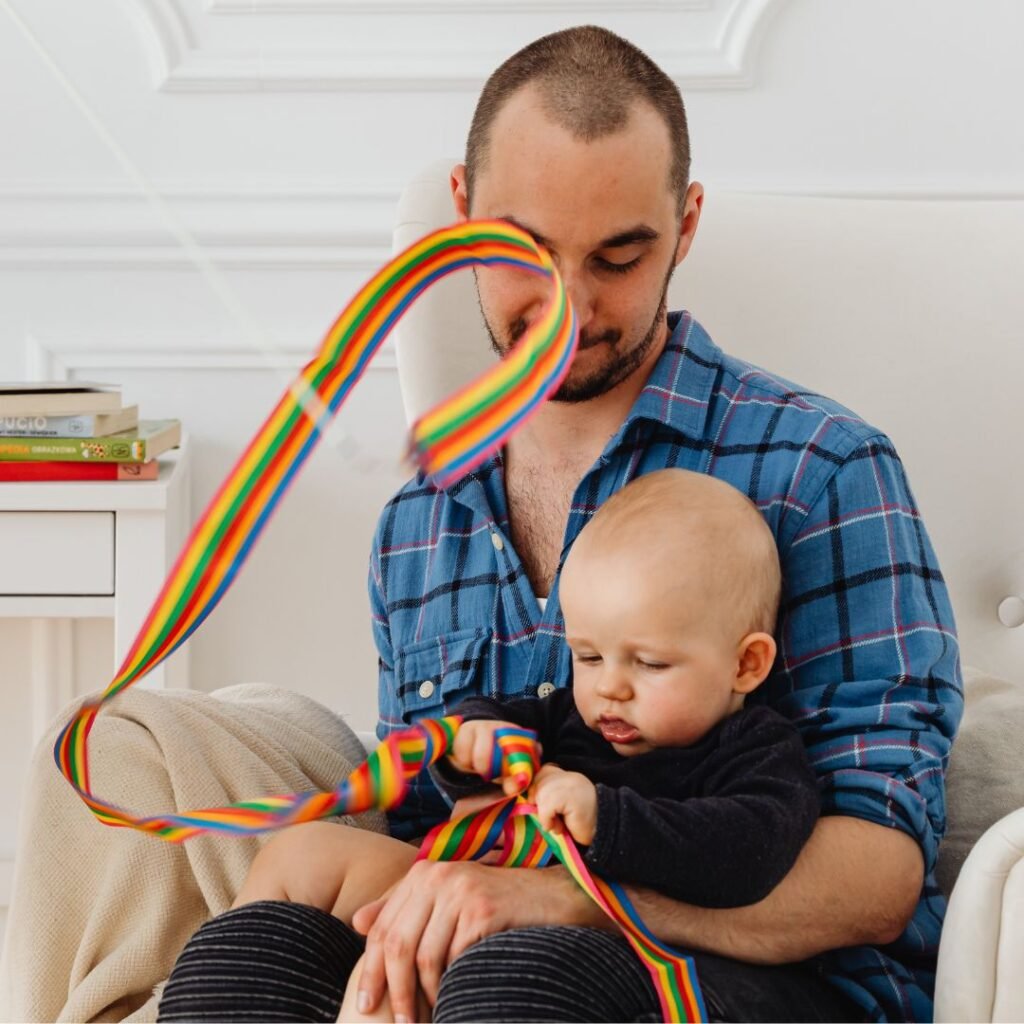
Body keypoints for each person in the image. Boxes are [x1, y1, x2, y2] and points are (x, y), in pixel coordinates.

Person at [158, 23, 963, 1024]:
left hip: (763, 983)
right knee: (247, 954)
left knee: (522, 972)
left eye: (619, 257)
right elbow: (435, 826)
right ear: (461, 217)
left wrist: (570, 900)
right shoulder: (423, 523)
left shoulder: (822, 471)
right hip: (487, 948)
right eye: (522, 252)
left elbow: (879, 876)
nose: (570, 306)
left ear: (685, 226)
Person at [220, 468, 823, 1023]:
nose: (610, 687)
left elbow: (750, 851)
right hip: (474, 882)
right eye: (589, 656)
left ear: (746, 664)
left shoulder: (757, 748)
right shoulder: (573, 718)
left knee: (416, 986)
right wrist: (473, 742)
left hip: (602, 937)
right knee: (300, 853)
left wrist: (605, 818)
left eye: (650, 663)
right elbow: (495, 720)